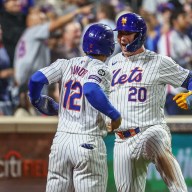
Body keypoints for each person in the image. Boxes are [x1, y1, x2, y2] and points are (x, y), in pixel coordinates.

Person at [28, 23, 122, 192]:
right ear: (109, 47)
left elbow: (36, 79)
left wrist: (36, 100)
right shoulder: (101, 69)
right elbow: (90, 89)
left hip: (61, 141)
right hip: (87, 140)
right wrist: (114, 115)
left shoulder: (65, 64)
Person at [108, 12, 190, 192]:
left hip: (150, 129)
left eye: (127, 33)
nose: (122, 38)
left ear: (140, 35)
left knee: (158, 142)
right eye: (120, 33)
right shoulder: (111, 64)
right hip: (121, 140)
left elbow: (189, 79)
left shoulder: (159, 62)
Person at [14, 4, 92, 87]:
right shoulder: (33, 31)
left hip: (27, 82)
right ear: (29, 21)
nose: (43, 22)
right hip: (28, 84)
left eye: (43, 20)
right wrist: (78, 11)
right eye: (40, 19)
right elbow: (56, 24)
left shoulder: (30, 36)